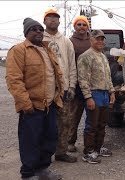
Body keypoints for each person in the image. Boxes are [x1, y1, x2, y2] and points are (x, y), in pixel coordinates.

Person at [6, 17, 63, 180]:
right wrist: (25, 103)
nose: (38, 31)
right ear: (26, 33)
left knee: (50, 138)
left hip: (50, 105)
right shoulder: (18, 50)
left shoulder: (47, 49)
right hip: (32, 106)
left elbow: (56, 75)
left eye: (40, 29)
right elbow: (14, 79)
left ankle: (42, 169)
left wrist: (59, 95)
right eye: (34, 29)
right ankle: (28, 173)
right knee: (30, 141)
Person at [43, 9, 77, 163]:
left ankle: (61, 152)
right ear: (44, 21)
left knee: (64, 122)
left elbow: (71, 64)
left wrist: (71, 86)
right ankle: (43, 155)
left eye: (56, 18)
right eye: (49, 17)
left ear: (59, 21)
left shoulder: (66, 41)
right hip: (45, 89)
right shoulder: (39, 38)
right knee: (44, 123)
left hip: (63, 89)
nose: (53, 20)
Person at [78, 29, 116, 164]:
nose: (100, 41)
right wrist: (88, 97)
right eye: (97, 39)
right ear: (91, 40)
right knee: (92, 125)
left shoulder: (103, 55)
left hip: (105, 94)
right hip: (94, 94)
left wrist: (112, 92)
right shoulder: (85, 56)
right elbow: (82, 79)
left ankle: (98, 148)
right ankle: (88, 152)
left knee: (102, 124)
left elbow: (108, 77)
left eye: (102, 39)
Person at [68, 15, 91, 152]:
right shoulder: (70, 42)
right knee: (74, 115)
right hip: (76, 83)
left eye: (84, 24)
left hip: (91, 83)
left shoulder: (92, 40)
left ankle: (90, 144)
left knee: (92, 116)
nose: (81, 27)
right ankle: (70, 142)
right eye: (79, 24)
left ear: (87, 26)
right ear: (75, 26)